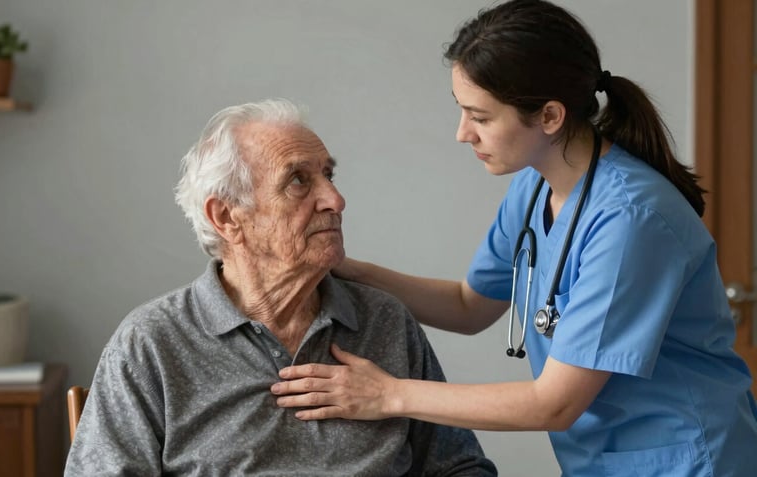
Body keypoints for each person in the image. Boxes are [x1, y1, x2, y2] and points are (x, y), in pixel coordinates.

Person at [269, 1, 757, 475]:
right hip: (605, 459)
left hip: (689, 461)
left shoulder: (631, 220)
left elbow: (555, 403)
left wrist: (387, 395)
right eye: (462, 111)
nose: (463, 134)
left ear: (549, 116)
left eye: (480, 117)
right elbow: (469, 305)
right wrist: (349, 270)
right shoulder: (535, 185)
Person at [63, 99, 497, 476]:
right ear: (227, 217)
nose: (335, 199)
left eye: (329, 175)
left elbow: (460, 467)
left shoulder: (384, 321)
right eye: (298, 181)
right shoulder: (152, 342)